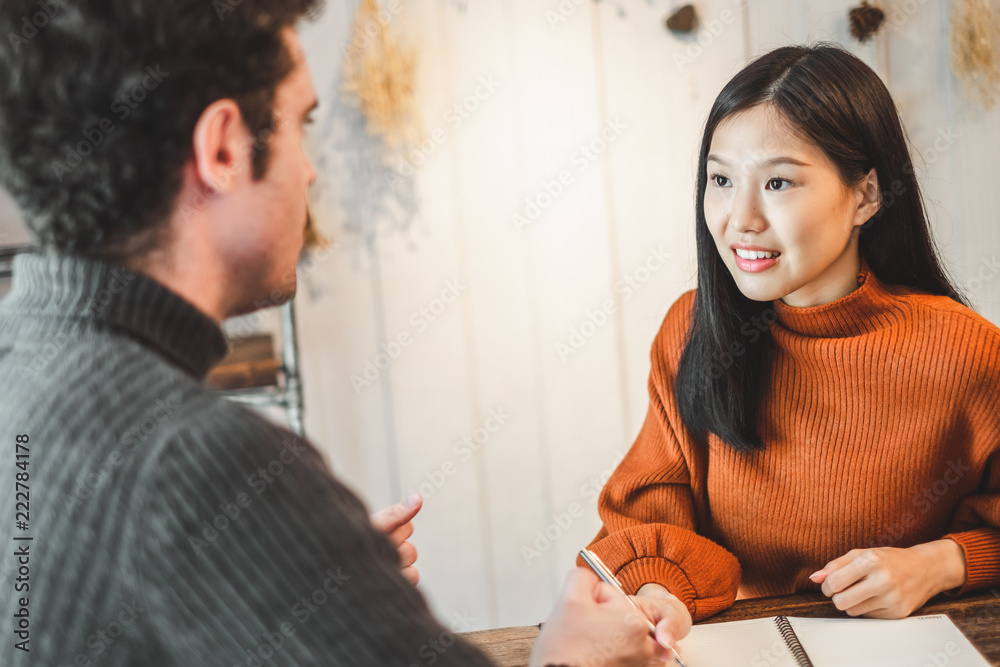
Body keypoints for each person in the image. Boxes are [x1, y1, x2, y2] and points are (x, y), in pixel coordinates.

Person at [0, 1, 690, 665]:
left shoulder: (19, 362)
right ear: (221, 151)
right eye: (302, 123)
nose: (309, 168)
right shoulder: (197, 458)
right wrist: (573, 656)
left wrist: (312, 578)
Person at [583, 43, 1000, 623]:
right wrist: (660, 596)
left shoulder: (969, 353)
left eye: (778, 184)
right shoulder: (692, 328)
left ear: (866, 196)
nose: (741, 218)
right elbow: (653, 506)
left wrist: (943, 562)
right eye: (721, 180)